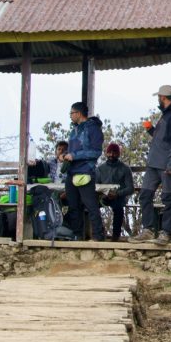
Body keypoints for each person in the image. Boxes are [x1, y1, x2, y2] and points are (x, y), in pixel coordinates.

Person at [131, 84, 171, 245]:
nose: (158, 100)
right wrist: (151, 130)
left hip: (166, 165)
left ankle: (166, 233)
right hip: (154, 163)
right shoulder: (166, 114)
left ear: (163, 98)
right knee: (145, 195)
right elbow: (163, 139)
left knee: (168, 198)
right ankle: (148, 230)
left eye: (158, 98)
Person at [63, 101, 105, 241]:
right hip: (71, 172)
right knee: (73, 205)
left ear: (79, 113)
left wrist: (74, 156)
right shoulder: (74, 130)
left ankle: (98, 236)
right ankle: (77, 235)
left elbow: (95, 152)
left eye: (71, 113)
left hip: (85, 171)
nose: (70, 116)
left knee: (90, 205)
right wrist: (65, 156)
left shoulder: (93, 129)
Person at [96, 143, 135, 242]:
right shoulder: (100, 169)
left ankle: (115, 236)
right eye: (109, 152)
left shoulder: (125, 169)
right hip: (103, 196)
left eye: (114, 152)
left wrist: (117, 194)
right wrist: (102, 193)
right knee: (91, 206)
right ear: (106, 153)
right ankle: (98, 232)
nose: (111, 155)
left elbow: (130, 188)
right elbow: (95, 186)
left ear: (119, 154)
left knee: (118, 209)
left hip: (118, 197)